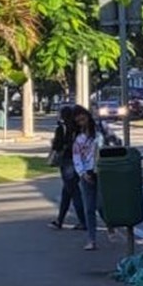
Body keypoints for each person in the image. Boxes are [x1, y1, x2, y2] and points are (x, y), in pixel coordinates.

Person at [71, 107, 106, 251]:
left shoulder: (99, 131)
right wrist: (83, 173)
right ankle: (92, 239)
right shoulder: (78, 137)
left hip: (102, 171)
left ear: (87, 116)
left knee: (101, 204)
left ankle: (110, 225)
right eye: (78, 121)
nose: (81, 123)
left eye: (83, 118)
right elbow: (76, 156)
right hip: (87, 172)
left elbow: (111, 143)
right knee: (89, 208)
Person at [48, 105, 87, 232]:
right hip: (78, 161)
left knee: (74, 192)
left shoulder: (62, 128)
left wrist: (54, 142)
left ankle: (83, 221)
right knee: (67, 191)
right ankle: (60, 220)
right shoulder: (78, 128)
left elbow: (57, 145)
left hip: (66, 160)